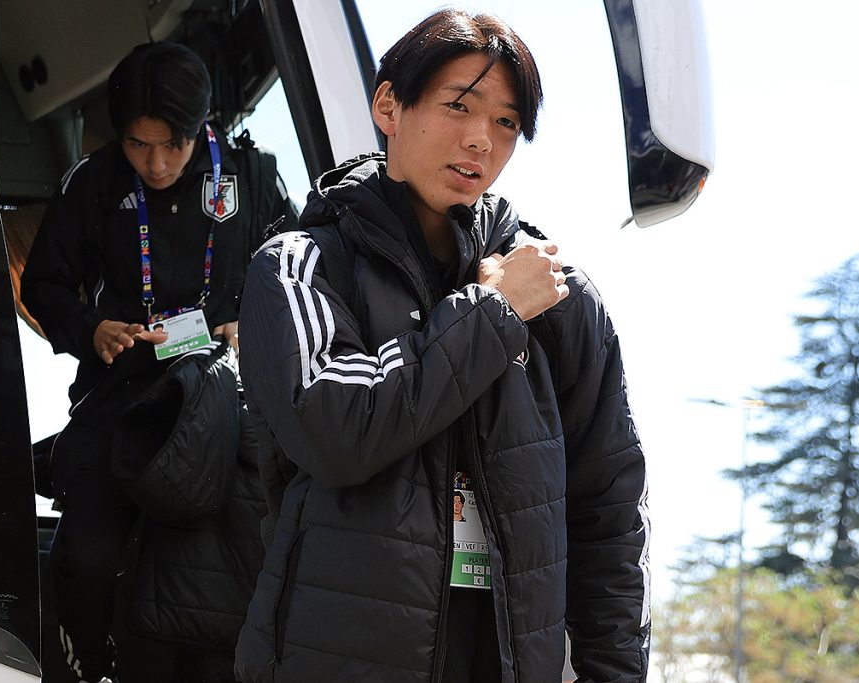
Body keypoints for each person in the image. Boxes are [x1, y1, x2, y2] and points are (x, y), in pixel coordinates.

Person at [235, 9, 649, 683]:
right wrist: (491, 313)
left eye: (507, 122)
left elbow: (611, 512)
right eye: (459, 106)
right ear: (388, 106)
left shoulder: (560, 298)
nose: (482, 138)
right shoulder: (299, 266)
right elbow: (333, 429)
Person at [20, 41, 297, 683]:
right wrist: (90, 330)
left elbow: (297, 278)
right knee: (88, 558)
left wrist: (250, 322)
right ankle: (85, 666)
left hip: (222, 404)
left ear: (201, 126)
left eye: (173, 144)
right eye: (138, 145)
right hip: (118, 398)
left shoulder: (253, 176)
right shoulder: (93, 182)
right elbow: (43, 285)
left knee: (229, 576)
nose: (156, 162)